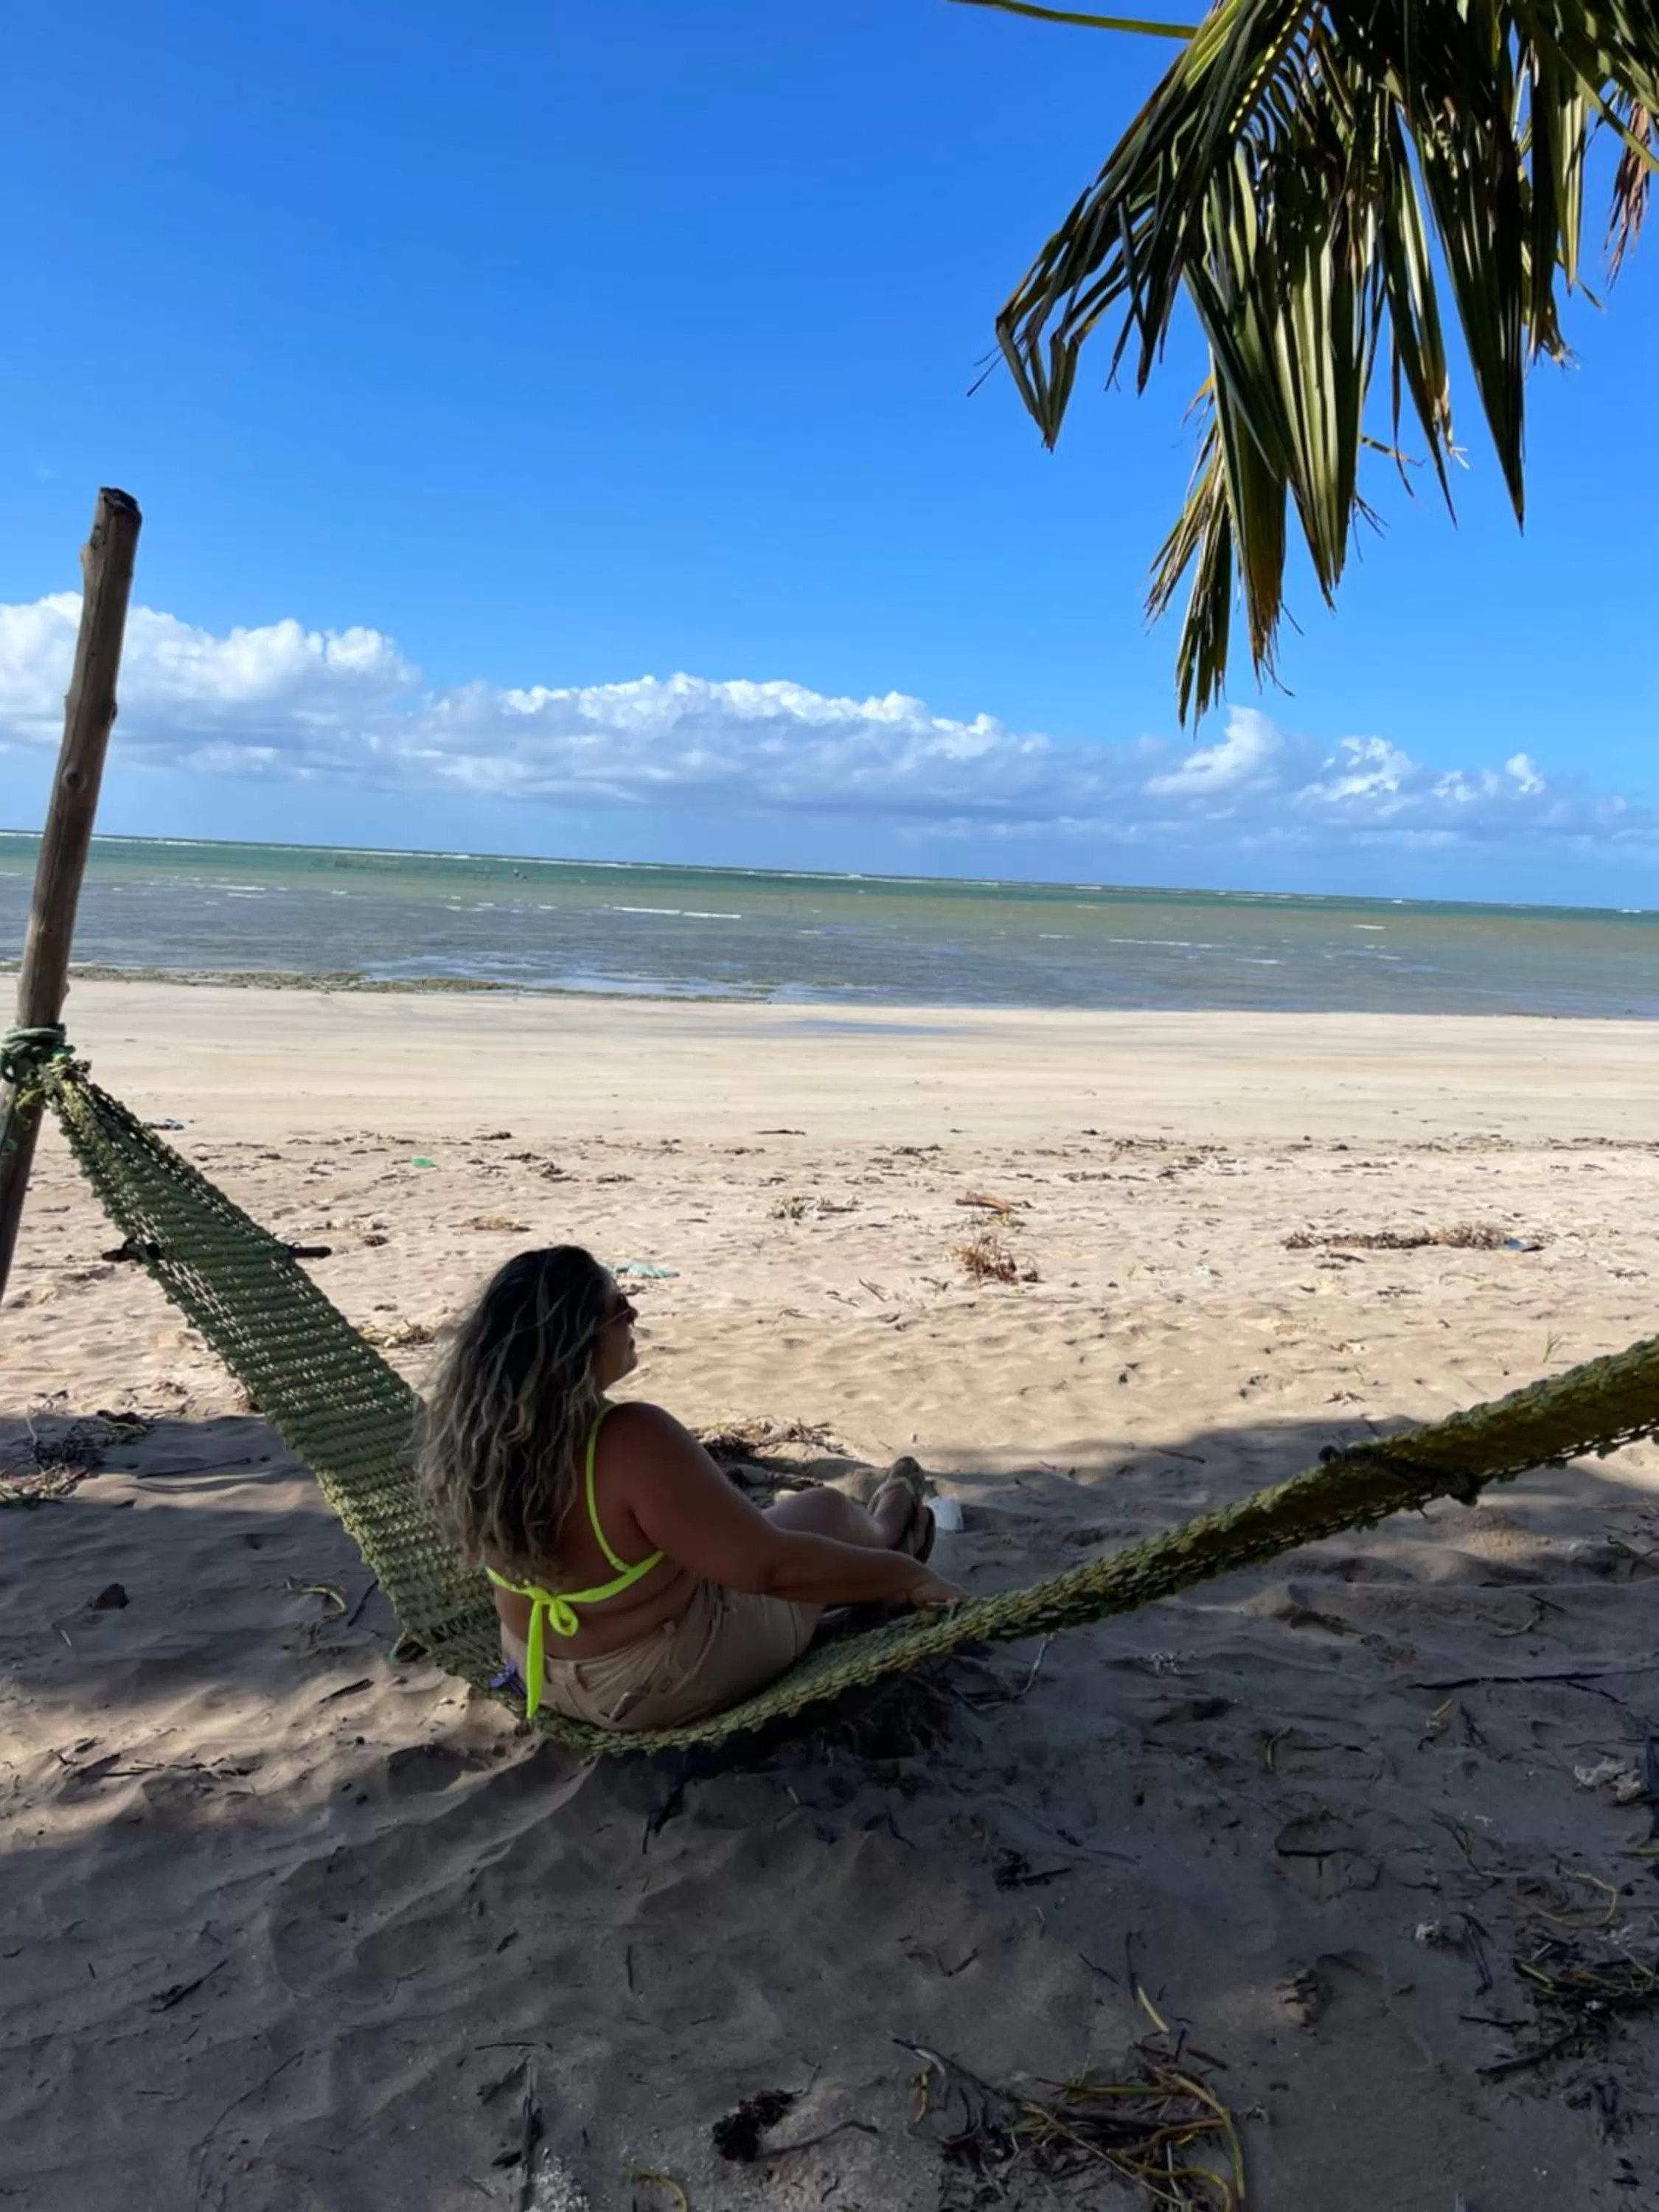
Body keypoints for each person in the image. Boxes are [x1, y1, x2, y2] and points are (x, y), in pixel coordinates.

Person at [420, 1245, 962, 1731]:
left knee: (721, 1534)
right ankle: (893, 1533)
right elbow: (769, 1570)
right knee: (825, 1510)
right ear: (576, 1345)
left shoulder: (475, 1442)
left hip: (534, 1667)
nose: (633, 1314)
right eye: (618, 1309)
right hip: (647, 1684)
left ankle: (884, 1529)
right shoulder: (629, 1439)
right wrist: (908, 1576)